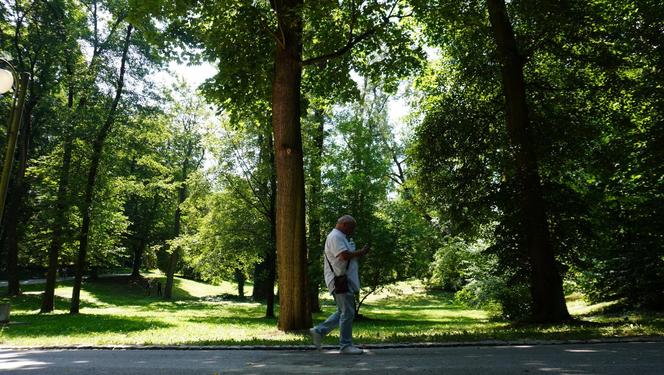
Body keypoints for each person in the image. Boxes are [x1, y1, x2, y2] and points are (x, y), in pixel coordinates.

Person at [310, 215, 370, 354]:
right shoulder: (336, 236)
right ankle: (345, 345)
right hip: (340, 280)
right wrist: (360, 252)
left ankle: (318, 331)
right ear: (343, 224)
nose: (353, 231)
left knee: (342, 311)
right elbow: (343, 255)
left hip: (342, 280)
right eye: (351, 227)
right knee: (348, 312)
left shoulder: (339, 236)